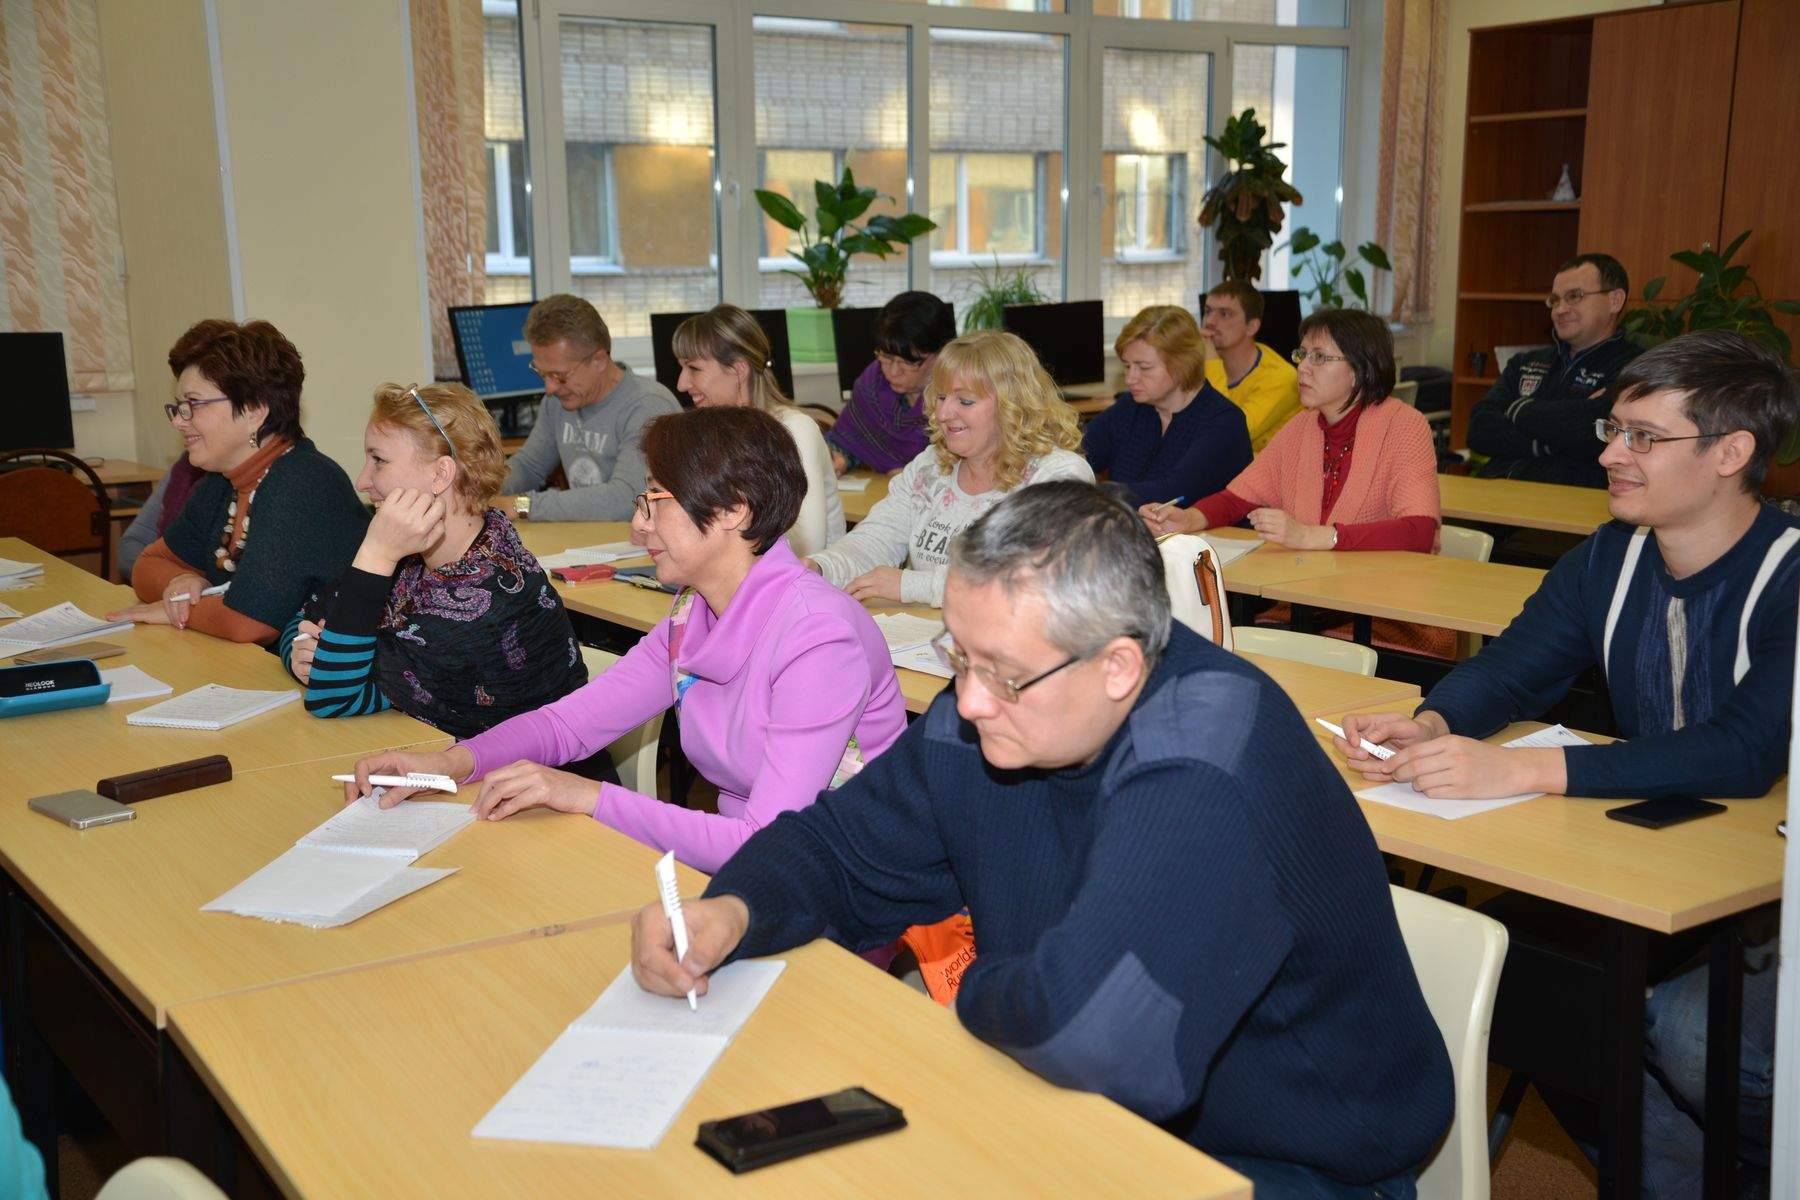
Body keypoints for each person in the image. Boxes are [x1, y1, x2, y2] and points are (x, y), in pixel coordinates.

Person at [631, 482, 1454, 1197]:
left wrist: (976, 986)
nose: (969, 700)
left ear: (1120, 667)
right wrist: (735, 911)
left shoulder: (1208, 759)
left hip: (1296, 1162)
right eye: (962, 656)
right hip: (1072, 1101)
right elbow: (841, 848)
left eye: (1003, 673)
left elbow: (1095, 1037)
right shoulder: (999, 713)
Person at [1339, 331, 1799, 1198]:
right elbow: (1514, 667)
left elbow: (1746, 750)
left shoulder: (1789, 574)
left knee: (1698, 1038)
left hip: (1777, 890)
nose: (1610, 455)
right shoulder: (1610, 557)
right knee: (1531, 987)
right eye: (1613, 432)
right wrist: (1430, 722)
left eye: (1642, 438)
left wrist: (1525, 773)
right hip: (1657, 861)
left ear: (1732, 453)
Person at [345, 406, 906, 876]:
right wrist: (451, 762)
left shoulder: (818, 638)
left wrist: (586, 796)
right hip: (740, 864)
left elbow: (764, 840)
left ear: (735, 509)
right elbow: (569, 723)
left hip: (837, 877)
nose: (639, 527)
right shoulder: (697, 610)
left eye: (654, 501)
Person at [279, 383, 591, 741]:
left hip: (531, 789)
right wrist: (299, 650)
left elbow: (332, 695)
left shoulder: (480, 601)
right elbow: (307, 614)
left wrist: (375, 555)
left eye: (378, 460)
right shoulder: (425, 550)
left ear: (441, 475)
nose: (362, 481)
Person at [107, 319, 367, 645]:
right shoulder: (222, 481)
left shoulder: (302, 482)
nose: (177, 420)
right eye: (178, 406)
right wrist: (184, 581)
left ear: (256, 410)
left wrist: (173, 610)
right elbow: (146, 565)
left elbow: (252, 623)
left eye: (194, 404)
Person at [809, 330, 1092, 606]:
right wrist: (820, 568)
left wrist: (909, 585)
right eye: (941, 397)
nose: (943, 414)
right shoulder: (931, 465)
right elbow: (875, 540)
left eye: (965, 401)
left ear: (1013, 405)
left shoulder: (1058, 477)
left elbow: (1026, 579)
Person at [1143, 308, 1439, 553]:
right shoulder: (1301, 427)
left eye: (1320, 357)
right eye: (1303, 354)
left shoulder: (1404, 426)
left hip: (1380, 605)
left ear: (1360, 370)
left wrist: (1312, 537)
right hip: (1307, 595)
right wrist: (1189, 519)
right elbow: (1238, 498)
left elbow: (1420, 531)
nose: (1303, 368)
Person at [673, 304, 845, 557]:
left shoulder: (794, 431)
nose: (681, 384)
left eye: (694, 369)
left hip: (805, 587)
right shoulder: (713, 434)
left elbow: (807, 544)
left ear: (738, 370)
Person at [500, 293, 680, 522]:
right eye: (542, 373)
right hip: (588, 542)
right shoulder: (557, 403)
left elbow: (627, 498)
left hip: (639, 546)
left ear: (599, 361)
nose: (549, 388)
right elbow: (529, 466)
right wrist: (477, 490)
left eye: (560, 376)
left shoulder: (648, 406)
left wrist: (522, 505)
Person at [1468, 252, 1642, 488]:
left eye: (1574, 297)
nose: (1560, 309)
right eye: (1555, 300)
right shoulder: (1525, 362)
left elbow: (1595, 437)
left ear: (1615, 300)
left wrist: (1518, 409)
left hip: (1565, 505)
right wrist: (1553, 436)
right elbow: (1479, 430)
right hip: (1494, 492)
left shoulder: (1636, 367)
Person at [1082, 304, 1252, 506]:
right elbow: (1080, 451)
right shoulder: (1131, 406)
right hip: (1137, 531)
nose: (1130, 379)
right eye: (1127, 366)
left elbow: (1171, 492)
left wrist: (1086, 493)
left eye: (1143, 367)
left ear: (1182, 365)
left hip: (1205, 536)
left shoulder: (1224, 422)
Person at [826, 291, 956, 476]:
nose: (893, 371)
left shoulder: (961, 400)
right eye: (886, 356)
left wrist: (914, 476)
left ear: (942, 353)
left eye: (909, 361)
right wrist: (841, 458)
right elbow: (845, 441)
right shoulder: (872, 383)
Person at [1201, 280, 1301, 453]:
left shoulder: (1281, 378)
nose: (1210, 321)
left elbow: (1228, 435)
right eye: (1208, 311)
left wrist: (1211, 362)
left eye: (1224, 314)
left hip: (1271, 476)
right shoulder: (1201, 364)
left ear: (1252, 327)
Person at [115, 454, 206, 580]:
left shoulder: (226, 485)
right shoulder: (183, 471)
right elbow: (130, 545)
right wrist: (173, 580)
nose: (180, 432)